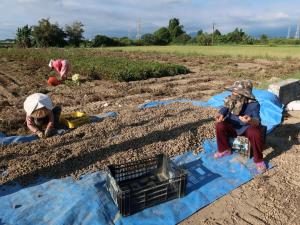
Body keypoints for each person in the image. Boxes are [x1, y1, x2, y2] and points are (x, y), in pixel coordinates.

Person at [214, 80, 267, 173]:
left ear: (244, 95)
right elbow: (225, 107)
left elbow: (257, 122)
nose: (233, 93)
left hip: (246, 128)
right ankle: (225, 150)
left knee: (254, 132)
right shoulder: (232, 100)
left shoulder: (253, 104)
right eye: (233, 91)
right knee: (219, 125)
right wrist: (220, 114)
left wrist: (250, 120)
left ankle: (259, 160)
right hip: (232, 126)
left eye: (236, 92)